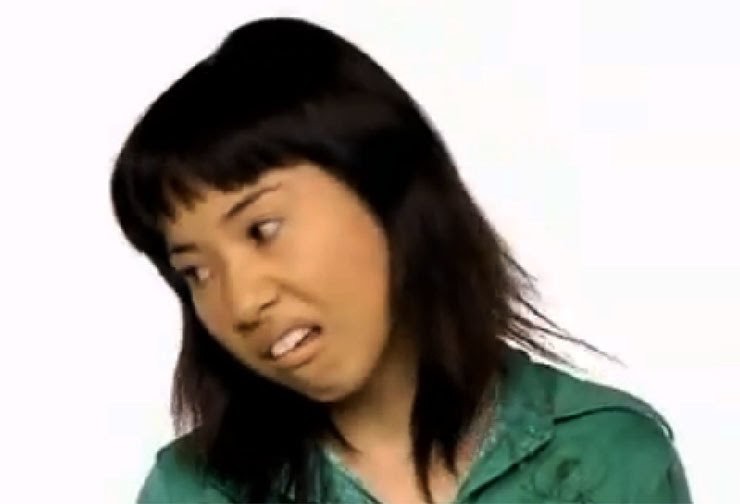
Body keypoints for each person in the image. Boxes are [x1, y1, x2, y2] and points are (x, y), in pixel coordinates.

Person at [110, 17, 691, 504]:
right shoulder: (193, 492)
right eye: (196, 271)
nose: (241, 302)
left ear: (386, 188)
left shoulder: (605, 458)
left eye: (263, 230)